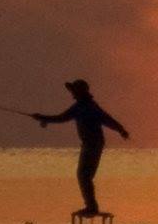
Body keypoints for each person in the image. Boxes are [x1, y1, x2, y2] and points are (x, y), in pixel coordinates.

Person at [33, 79, 130, 216]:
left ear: (79, 92)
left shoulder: (83, 107)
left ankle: (91, 207)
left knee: (83, 175)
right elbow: (108, 120)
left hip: (92, 144)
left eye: (74, 90)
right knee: (85, 176)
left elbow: (62, 118)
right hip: (93, 144)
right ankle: (91, 206)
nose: (72, 93)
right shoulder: (88, 105)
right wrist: (121, 130)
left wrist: (43, 118)